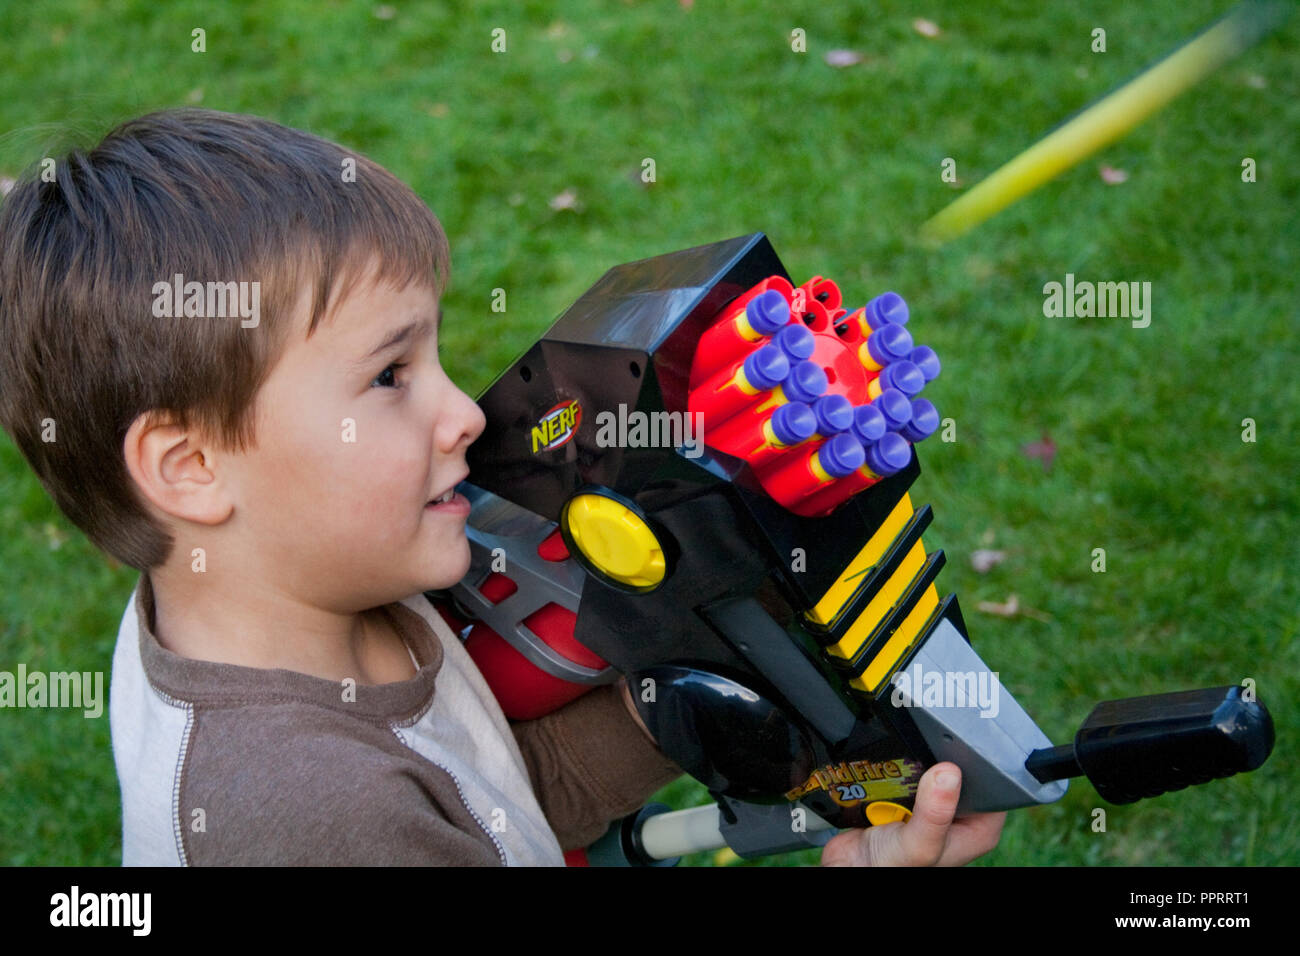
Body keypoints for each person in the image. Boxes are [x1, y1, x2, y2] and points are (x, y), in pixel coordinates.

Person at [0, 108, 1003, 866]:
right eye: (390, 376)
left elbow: (493, 790)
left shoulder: (269, 589)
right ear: (192, 468)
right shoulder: (316, 817)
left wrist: (673, 693)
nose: (467, 414)